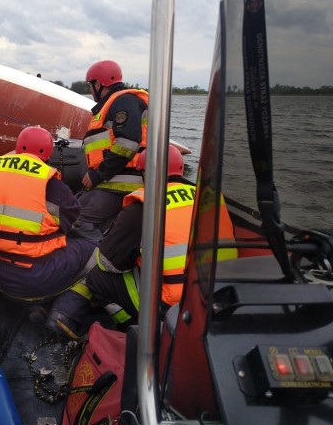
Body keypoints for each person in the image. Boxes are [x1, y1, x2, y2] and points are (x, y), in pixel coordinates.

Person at [46, 145, 238, 339]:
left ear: (146, 172)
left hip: (173, 307)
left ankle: (131, 325)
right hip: (221, 296)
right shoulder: (211, 198)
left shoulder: (143, 206)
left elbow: (108, 262)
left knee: (98, 278)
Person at [0, 126, 98, 303]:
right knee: (94, 249)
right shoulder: (50, 184)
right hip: (37, 277)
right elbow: (72, 219)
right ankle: (67, 308)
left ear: (18, 147)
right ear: (48, 153)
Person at [78, 60, 149, 235]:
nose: (90, 90)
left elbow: (128, 143)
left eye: (90, 84)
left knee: (75, 219)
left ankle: (94, 255)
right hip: (109, 182)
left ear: (99, 84)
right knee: (71, 208)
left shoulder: (124, 102)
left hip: (123, 186)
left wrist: (98, 174)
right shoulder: (117, 103)